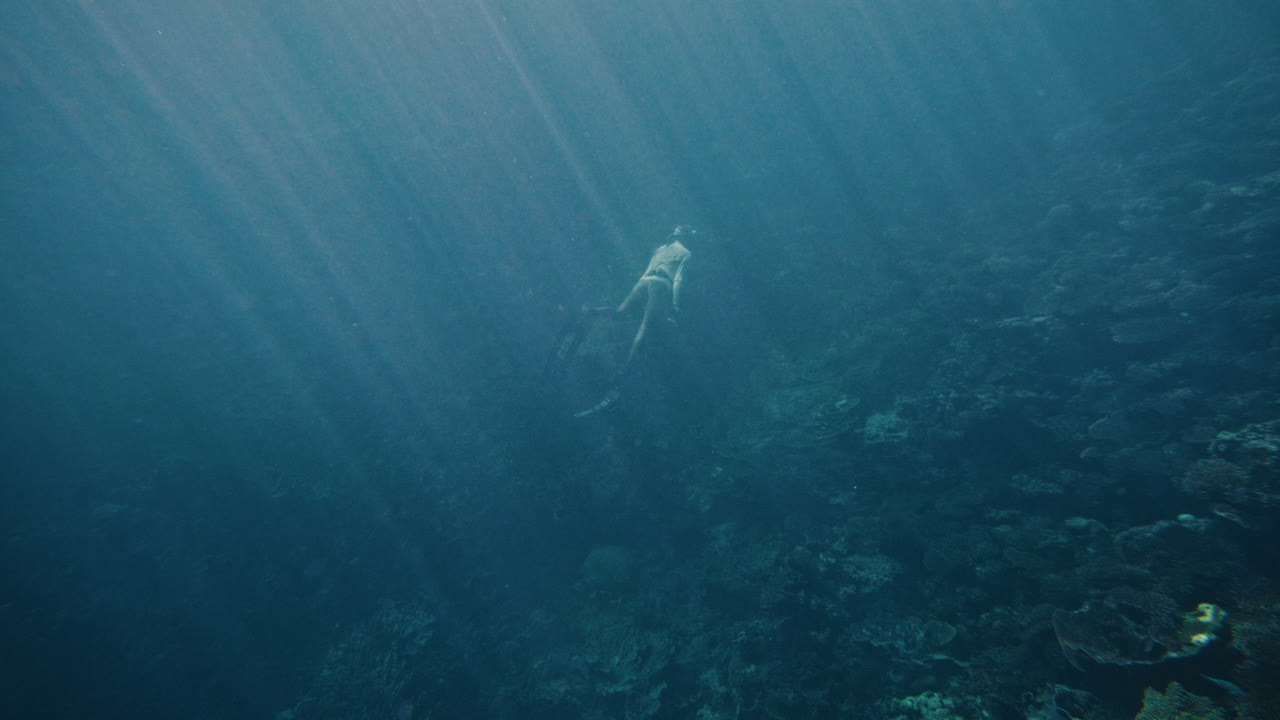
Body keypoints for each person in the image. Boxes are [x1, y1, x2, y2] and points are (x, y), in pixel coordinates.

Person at [552, 225, 694, 417]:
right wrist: (675, 305)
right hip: (662, 285)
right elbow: (678, 279)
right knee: (644, 326)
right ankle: (624, 370)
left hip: (644, 281)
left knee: (619, 311)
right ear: (687, 238)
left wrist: (641, 288)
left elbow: (646, 271)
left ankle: (590, 311)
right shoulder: (686, 253)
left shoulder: (661, 248)